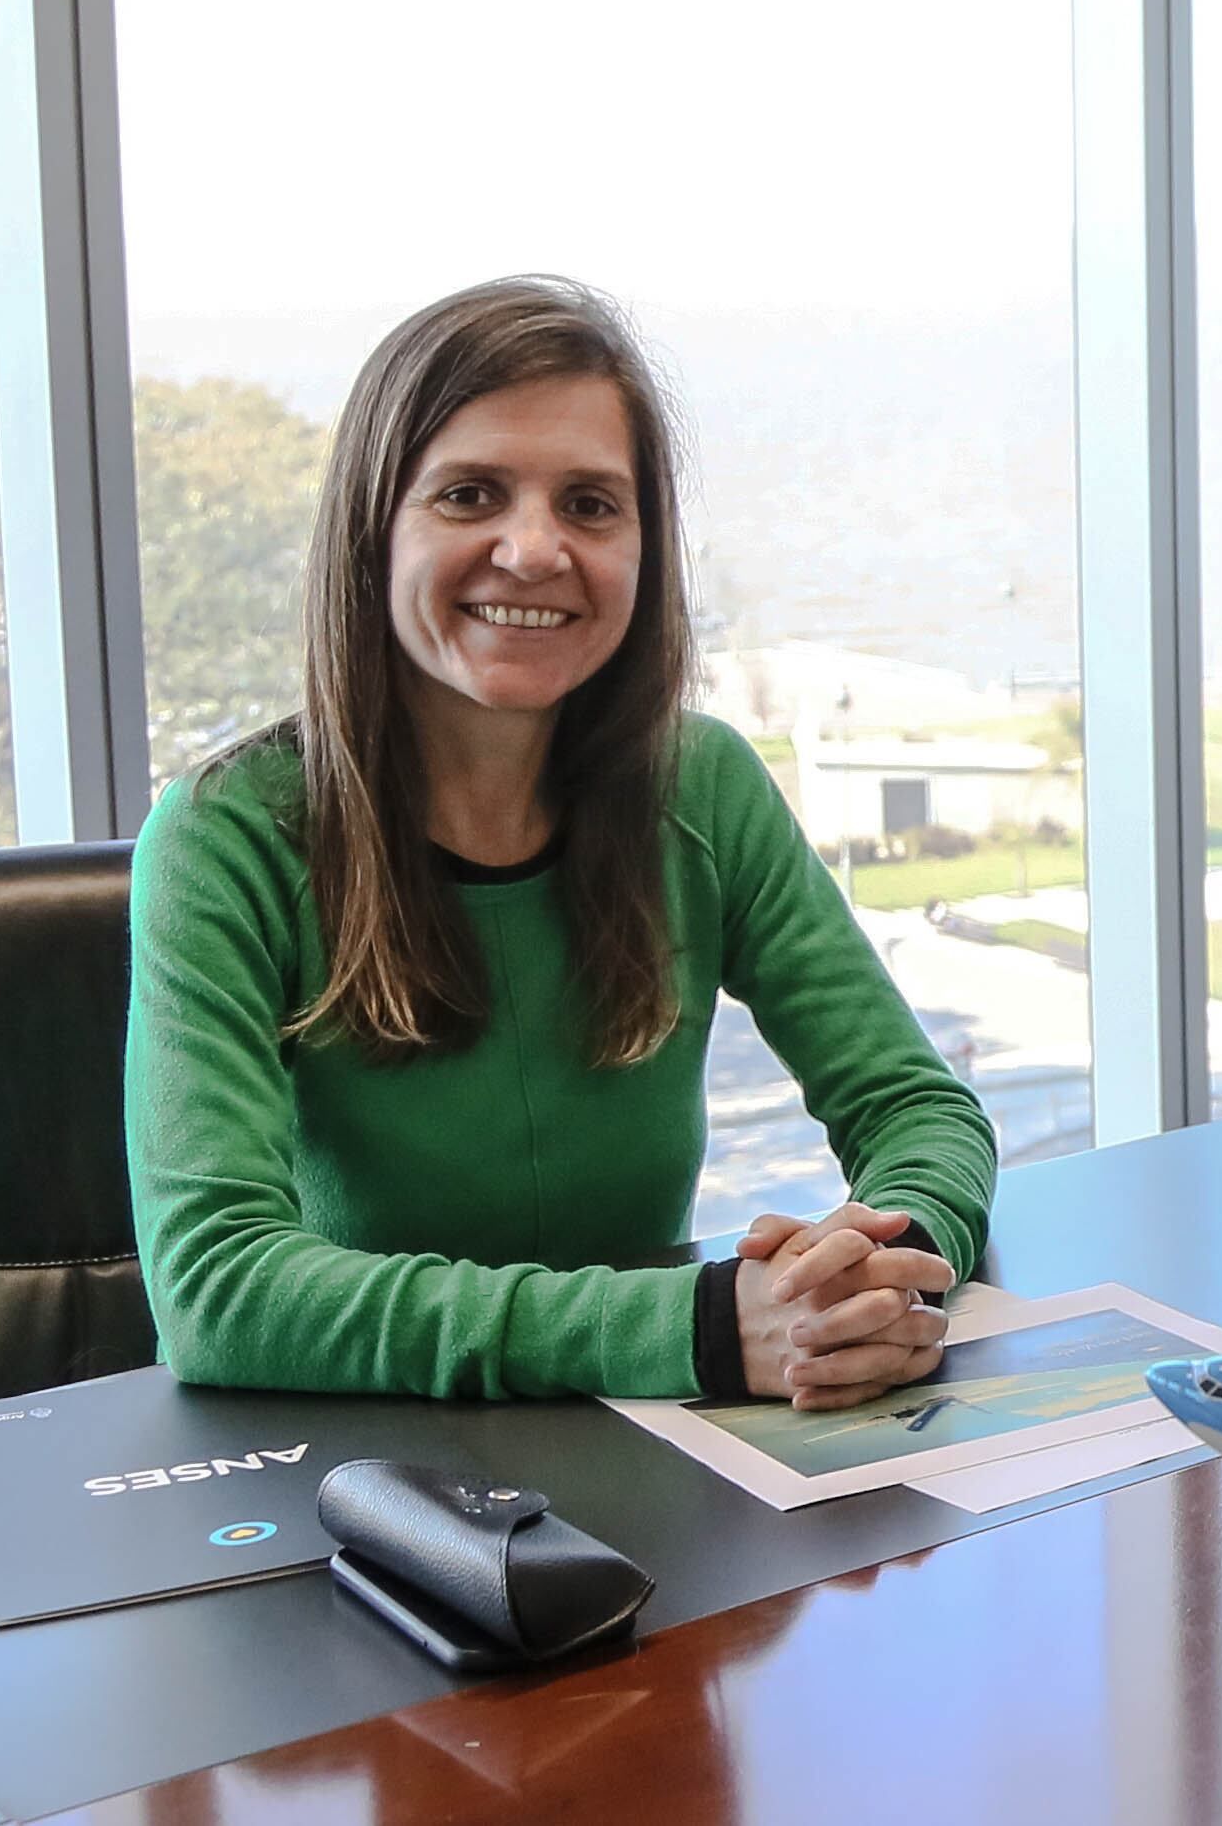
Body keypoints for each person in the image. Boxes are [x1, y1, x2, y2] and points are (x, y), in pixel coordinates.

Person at [126, 276, 995, 1406]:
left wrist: (880, 1267)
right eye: (471, 494)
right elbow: (219, 1291)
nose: (533, 550)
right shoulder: (223, 837)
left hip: (646, 1455)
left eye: (590, 504)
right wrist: (698, 1329)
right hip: (350, 1486)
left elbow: (916, 1107)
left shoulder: (705, 784)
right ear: (373, 530)